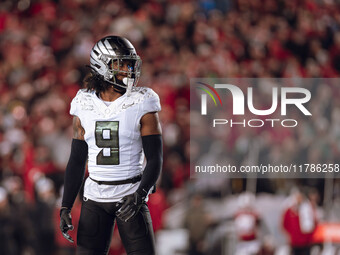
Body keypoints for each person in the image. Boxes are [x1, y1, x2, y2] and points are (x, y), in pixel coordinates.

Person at [59, 35, 163, 255]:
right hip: (94, 196)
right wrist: (66, 205)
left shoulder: (142, 101)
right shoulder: (83, 103)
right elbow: (77, 160)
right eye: (121, 63)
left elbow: (155, 158)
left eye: (130, 62)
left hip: (130, 194)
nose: (129, 68)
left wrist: (140, 193)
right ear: (102, 65)